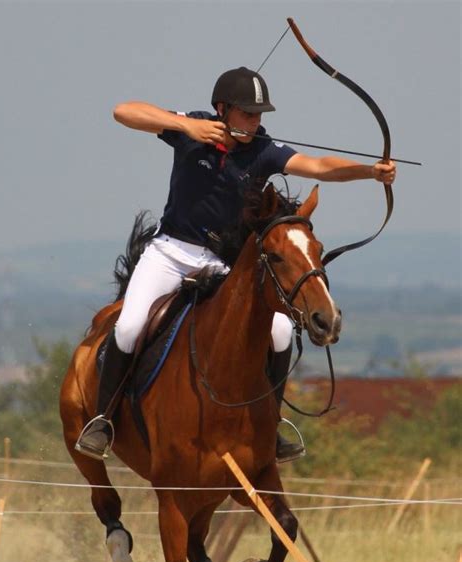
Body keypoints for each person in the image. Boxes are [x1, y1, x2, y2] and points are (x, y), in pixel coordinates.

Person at [75, 66, 396, 462]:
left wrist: (369, 172)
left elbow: (316, 167)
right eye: (247, 113)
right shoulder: (193, 128)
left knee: (279, 330)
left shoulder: (264, 150)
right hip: (171, 252)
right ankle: (105, 420)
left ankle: (271, 424)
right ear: (222, 109)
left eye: (259, 114)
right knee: (129, 325)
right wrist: (185, 127)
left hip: (222, 264)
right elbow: (124, 111)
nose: (254, 121)